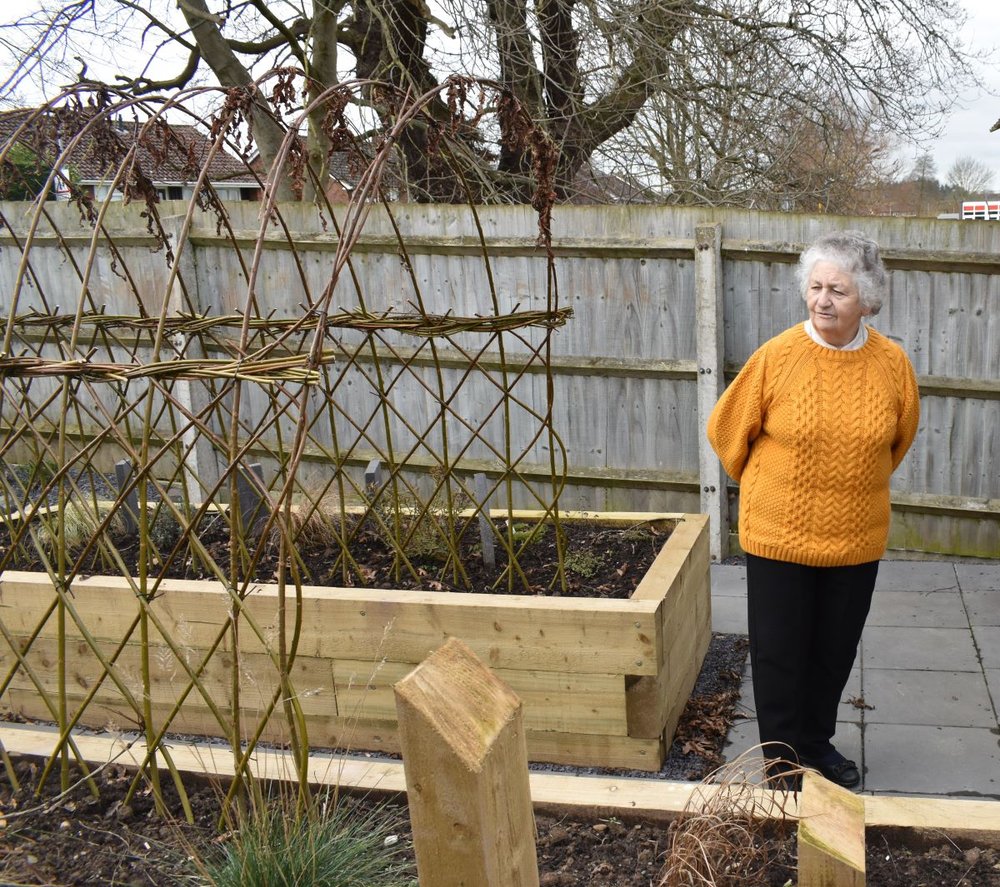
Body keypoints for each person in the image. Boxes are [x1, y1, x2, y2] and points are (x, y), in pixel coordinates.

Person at [706, 230, 920, 790]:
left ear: (867, 299)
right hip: (777, 534)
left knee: (833, 649)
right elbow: (728, 430)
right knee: (779, 651)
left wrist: (847, 485)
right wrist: (766, 489)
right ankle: (780, 758)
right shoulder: (778, 357)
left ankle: (816, 743)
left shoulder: (892, 364)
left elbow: (897, 440)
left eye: (839, 291)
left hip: (856, 535)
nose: (823, 300)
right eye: (816, 287)